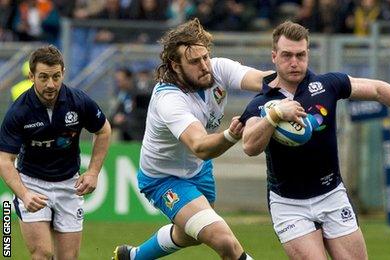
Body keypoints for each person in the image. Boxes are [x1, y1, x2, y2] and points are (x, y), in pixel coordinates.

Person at [239, 21, 390, 259]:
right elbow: (250, 146)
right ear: (274, 56)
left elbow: (377, 90)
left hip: (331, 194)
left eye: (300, 55)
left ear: (308, 54)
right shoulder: (261, 103)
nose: (294, 62)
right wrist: (275, 116)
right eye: (287, 55)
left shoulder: (326, 85)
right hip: (289, 204)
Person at [112, 18, 269, 260]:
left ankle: (133, 257)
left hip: (199, 170)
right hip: (163, 178)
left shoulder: (217, 68)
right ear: (175, 66)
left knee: (191, 235)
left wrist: (296, 81)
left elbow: (263, 81)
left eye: (205, 57)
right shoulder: (169, 99)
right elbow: (200, 146)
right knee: (225, 241)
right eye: (194, 61)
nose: (205, 66)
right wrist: (231, 134)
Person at [0, 45, 111, 260]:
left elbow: (104, 130)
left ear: (63, 73)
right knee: (42, 254)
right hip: (32, 183)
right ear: (31, 76)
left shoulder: (78, 101)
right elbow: (5, 160)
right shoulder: (19, 111)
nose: (51, 84)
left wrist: (93, 172)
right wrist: (24, 194)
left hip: (69, 185)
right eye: (43, 77)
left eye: (55, 77)